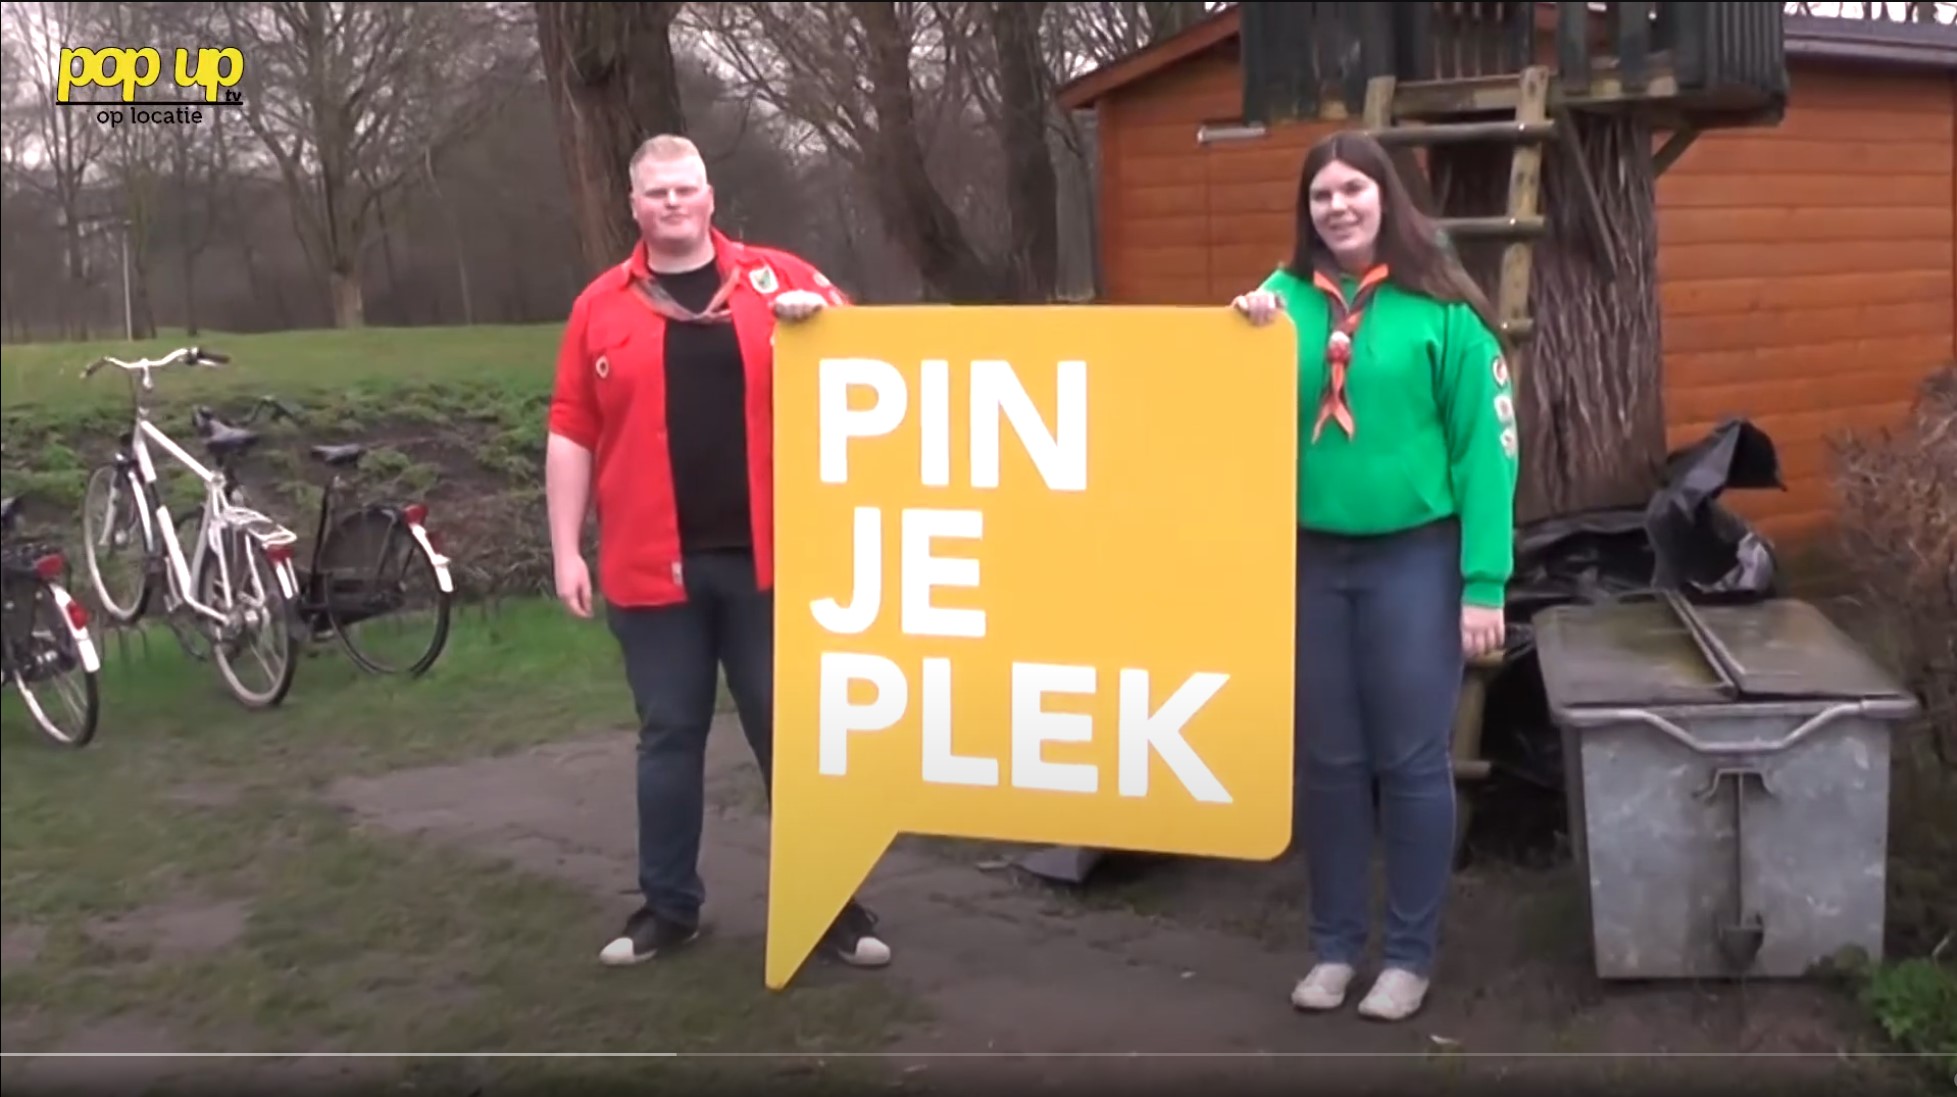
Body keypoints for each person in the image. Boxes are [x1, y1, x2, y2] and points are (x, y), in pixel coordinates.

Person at [545, 133, 892, 972]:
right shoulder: (601, 304)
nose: (672, 203)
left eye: (685, 189)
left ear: (710, 196)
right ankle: (668, 907)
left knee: (793, 734)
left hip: (773, 566)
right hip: (648, 566)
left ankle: (831, 905)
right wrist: (566, 549)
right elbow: (570, 430)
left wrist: (823, 330)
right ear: (633, 205)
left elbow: (877, 361)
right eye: (655, 192)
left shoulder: (779, 281)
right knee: (669, 734)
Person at [1232, 131, 1519, 1022]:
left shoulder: (1443, 313)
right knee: (1326, 762)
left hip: (1415, 561)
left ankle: (1405, 954)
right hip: (1311, 561)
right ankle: (1331, 946)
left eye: (1353, 189)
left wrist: (1484, 582)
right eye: (1321, 195)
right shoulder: (1273, 307)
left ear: (1384, 199)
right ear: (1305, 210)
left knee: (1409, 761)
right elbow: (1217, 415)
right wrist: (1234, 339)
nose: (1338, 207)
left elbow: (1488, 452)